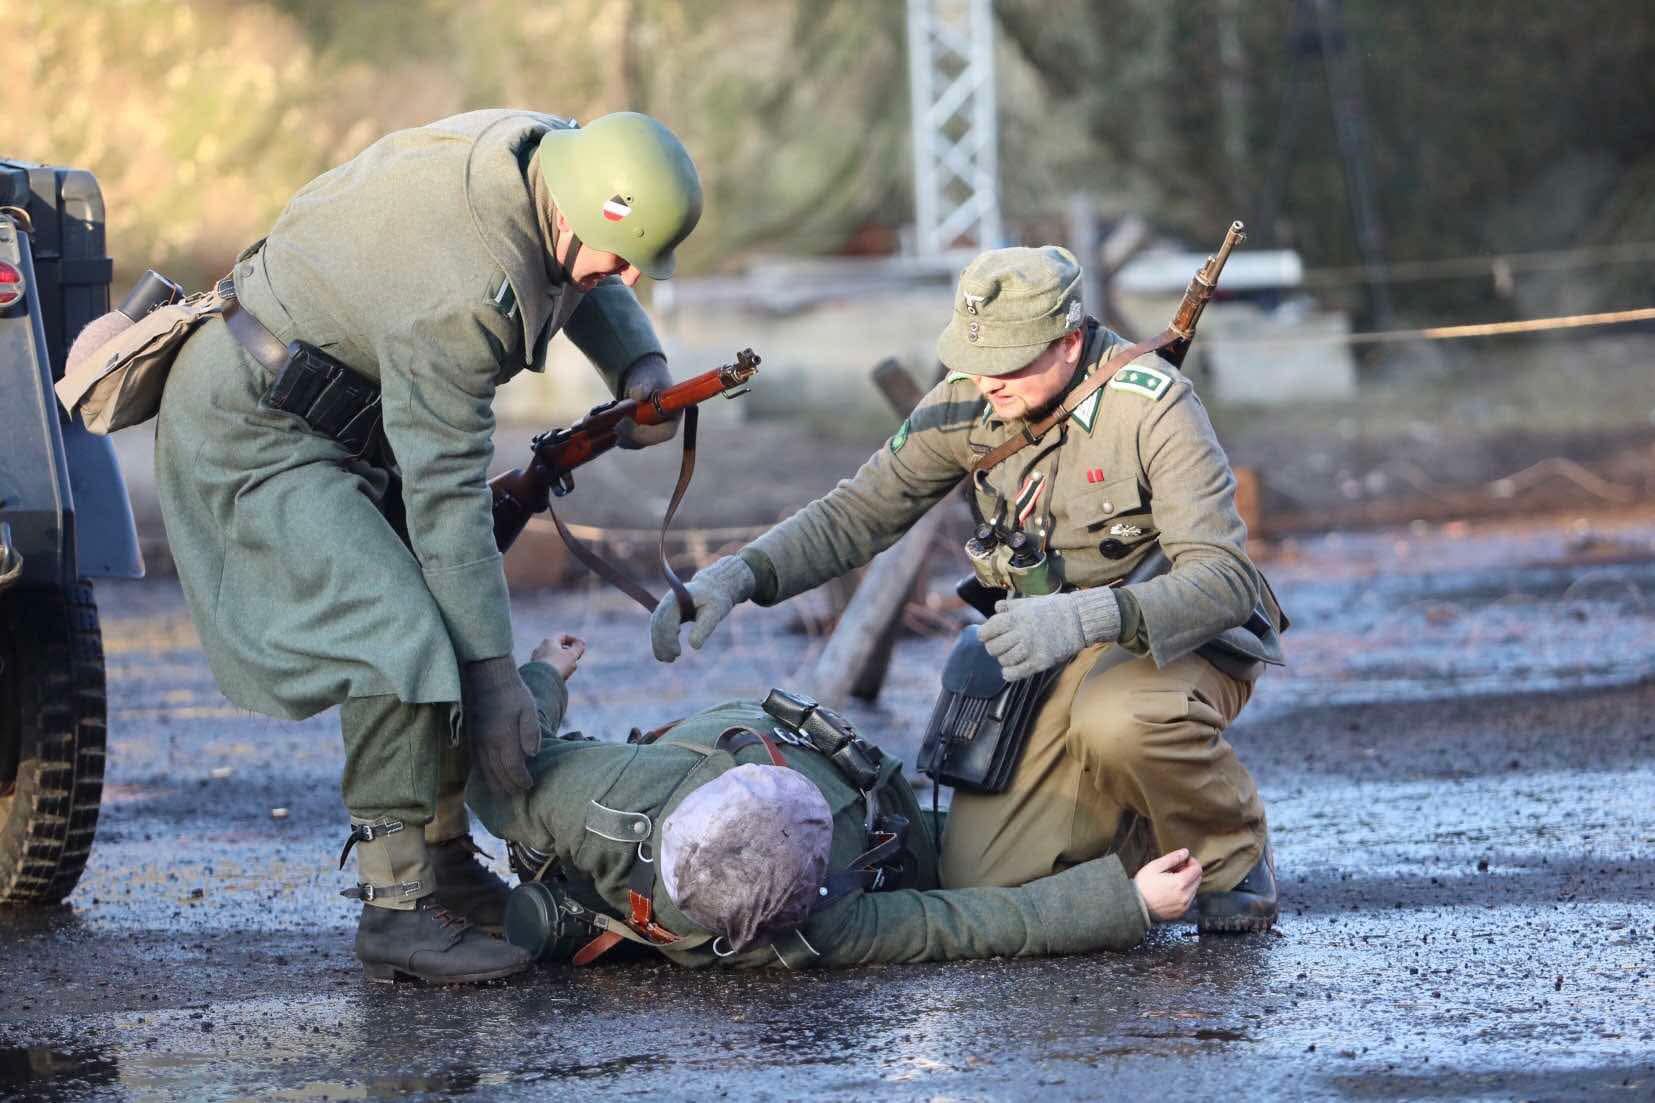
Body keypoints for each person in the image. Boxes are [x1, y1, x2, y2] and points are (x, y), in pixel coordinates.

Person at [151, 109, 702, 984]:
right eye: (623, 255)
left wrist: (640, 366)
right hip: (253, 426)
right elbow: (447, 503)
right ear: (570, 206)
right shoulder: (460, 291)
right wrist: (497, 679)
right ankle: (396, 908)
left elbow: (589, 264)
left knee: (438, 610)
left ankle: (444, 863)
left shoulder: (551, 157)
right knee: (396, 627)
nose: (630, 275)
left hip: (344, 413)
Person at [650, 245, 1286, 933]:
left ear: (1069, 341)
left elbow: (1224, 580)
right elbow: (857, 513)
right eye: (976, 358)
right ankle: (1144, 834)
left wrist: (1092, 616)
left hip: (1165, 641)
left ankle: (1228, 854)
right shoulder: (967, 400)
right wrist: (741, 573)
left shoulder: (1152, 407)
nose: (988, 380)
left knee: (1119, 721)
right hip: (1041, 652)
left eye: (1009, 361)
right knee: (985, 883)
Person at [462, 635, 1204, 971]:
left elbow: (504, 762)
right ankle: (1170, 843)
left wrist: (544, 673)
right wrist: (1132, 905)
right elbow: (967, 922)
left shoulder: (609, 796)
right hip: (898, 832)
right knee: (1026, 853)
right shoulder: (819, 927)